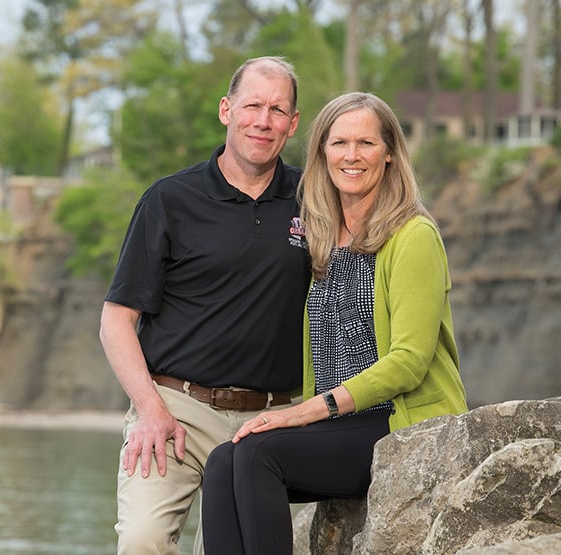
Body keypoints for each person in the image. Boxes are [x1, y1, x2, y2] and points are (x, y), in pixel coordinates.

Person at [201, 91, 469, 554]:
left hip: (402, 423)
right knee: (223, 461)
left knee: (257, 455)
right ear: (321, 154)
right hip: (344, 427)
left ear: (389, 154)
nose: (351, 155)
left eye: (365, 143)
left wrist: (304, 411)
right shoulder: (322, 238)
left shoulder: (413, 235)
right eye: (339, 142)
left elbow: (409, 361)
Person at [99, 56, 310, 555]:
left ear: (293, 124)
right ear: (226, 110)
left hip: (269, 422)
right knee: (142, 541)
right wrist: (150, 409)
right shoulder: (170, 200)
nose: (263, 120)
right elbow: (116, 319)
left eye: (277, 110)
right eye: (252, 105)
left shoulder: (313, 199)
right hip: (176, 410)